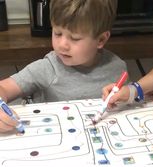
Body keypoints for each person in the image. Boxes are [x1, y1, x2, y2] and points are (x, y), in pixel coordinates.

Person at [0, 0, 127, 133]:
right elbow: (3, 87)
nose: (62, 45)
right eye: (57, 33)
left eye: (74, 38)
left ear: (101, 40)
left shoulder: (118, 68)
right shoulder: (49, 67)